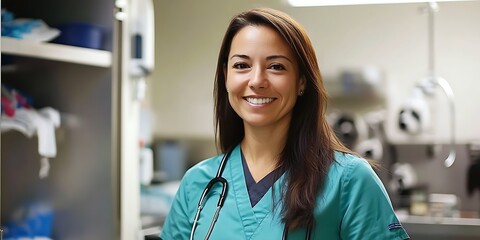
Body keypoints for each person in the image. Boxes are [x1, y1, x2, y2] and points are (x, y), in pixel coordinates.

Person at [160, 8, 409, 240]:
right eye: (241, 65)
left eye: (276, 66)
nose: (257, 80)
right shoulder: (197, 183)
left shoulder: (350, 180)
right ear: (226, 76)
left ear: (301, 81)